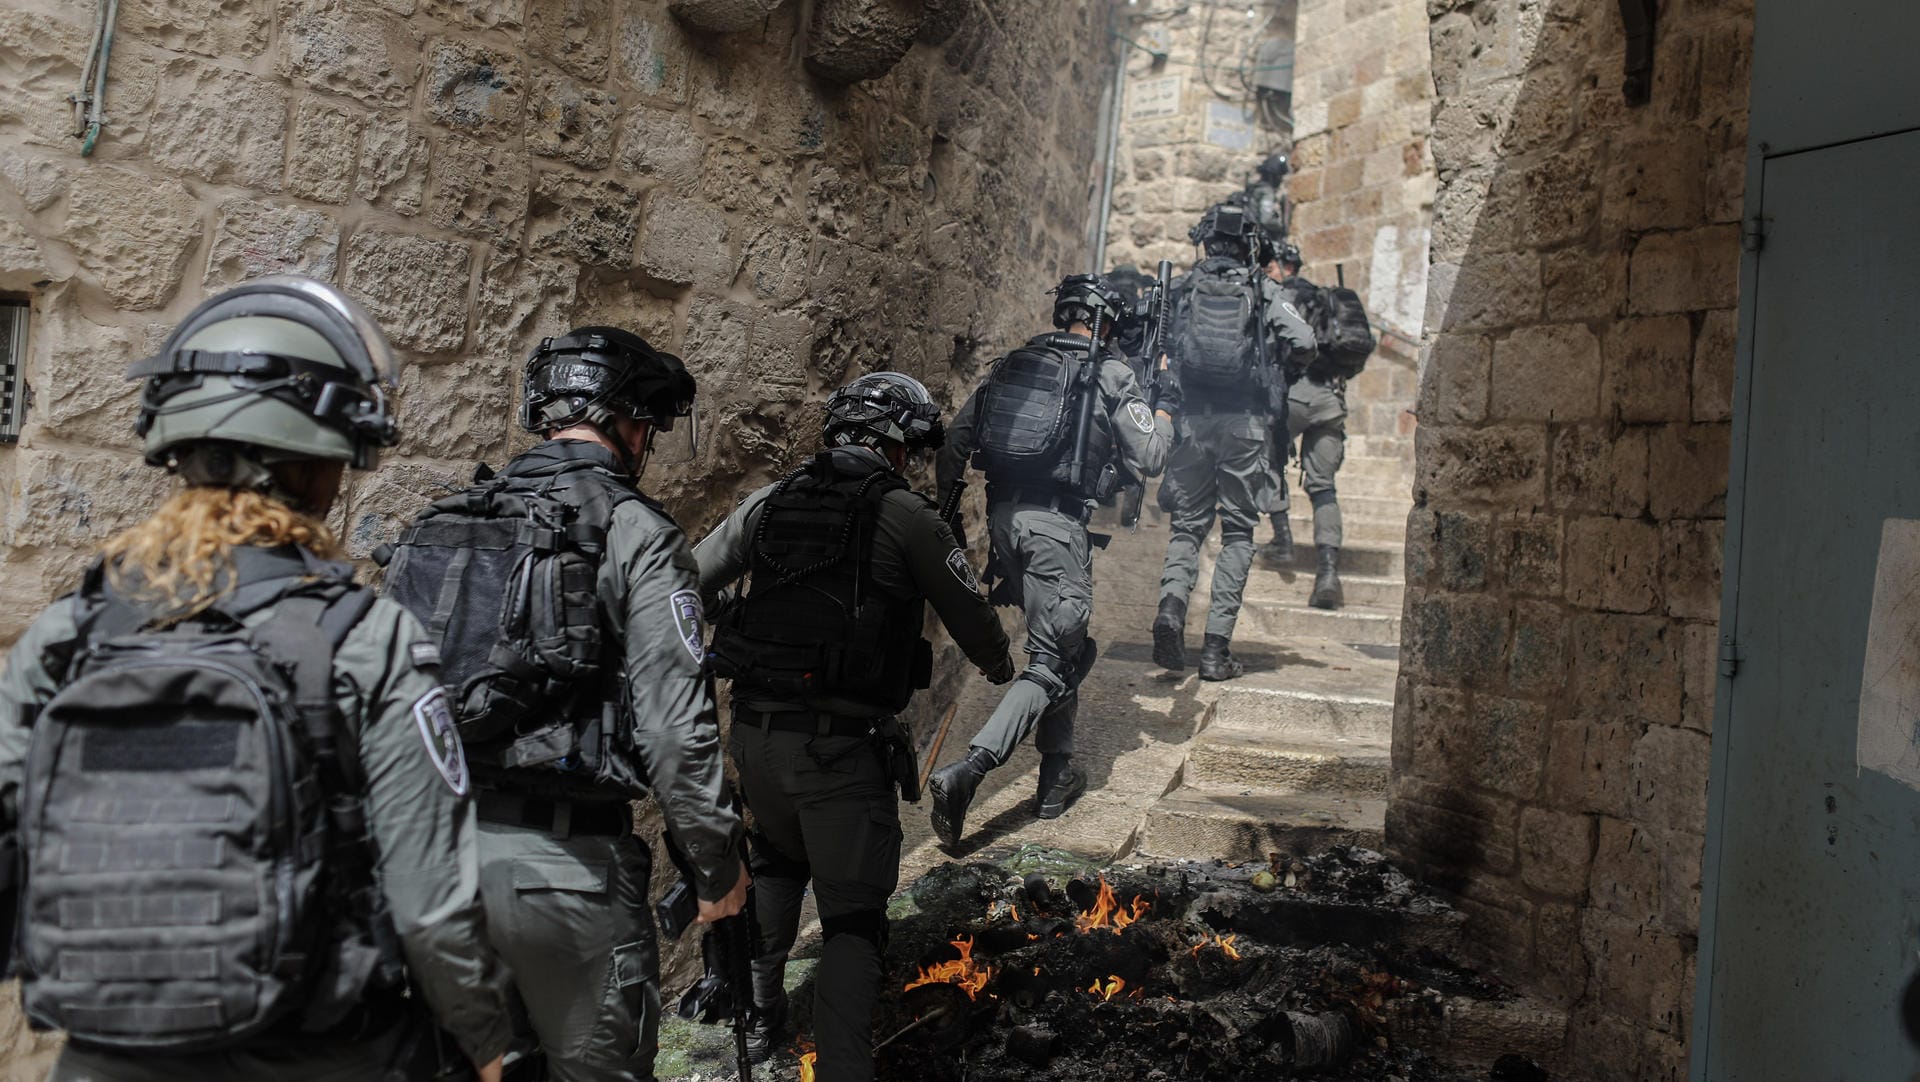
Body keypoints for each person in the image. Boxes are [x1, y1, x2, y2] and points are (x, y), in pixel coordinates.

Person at [0, 277, 512, 1082]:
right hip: (321, 1051)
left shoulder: (72, 631)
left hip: (107, 1054)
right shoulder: (364, 637)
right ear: (319, 470)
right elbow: (431, 906)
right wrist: (487, 1041)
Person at [379, 327, 748, 1082]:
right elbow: (678, 733)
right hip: (566, 874)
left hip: (435, 865)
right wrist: (716, 871)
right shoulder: (636, 531)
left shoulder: (440, 523)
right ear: (631, 423)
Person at [695, 372, 1014, 1081]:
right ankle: (843, 1068)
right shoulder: (906, 514)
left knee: (776, 861)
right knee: (851, 919)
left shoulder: (768, 502)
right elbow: (975, 623)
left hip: (753, 737)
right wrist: (1001, 667)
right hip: (837, 752)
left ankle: (759, 1014)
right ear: (897, 446)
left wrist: (736, 636)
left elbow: (688, 580)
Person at [926, 274, 1173, 850]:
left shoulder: (1013, 364)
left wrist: (948, 514)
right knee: (1051, 661)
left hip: (1005, 523)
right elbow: (1153, 456)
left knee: (1071, 648)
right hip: (1057, 529)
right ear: (1105, 322)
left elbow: (954, 445)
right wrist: (1162, 409)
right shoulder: (1110, 374)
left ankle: (1055, 776)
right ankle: (969, 770)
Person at [1153, 205, 1317, 680]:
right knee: (1239, 533)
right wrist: (1281, 371)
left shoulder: (1182, 289)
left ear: (1204, 242)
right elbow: (1304, 340)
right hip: (1246, 425)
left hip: (1191, 424)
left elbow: (1155, 341)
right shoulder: (1263, 289)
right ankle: (1215, 651)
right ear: (1250, 245)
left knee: (1187, 526)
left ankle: (1170, 607)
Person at [1262, 242, 1349, 608]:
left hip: (1294, 394)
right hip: (1330, 400)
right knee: (1324, 487)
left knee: (1269, 458)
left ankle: (1282, 542)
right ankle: (1328, 573)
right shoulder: (1325, 298)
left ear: (1282, 266)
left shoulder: (1283, 297)